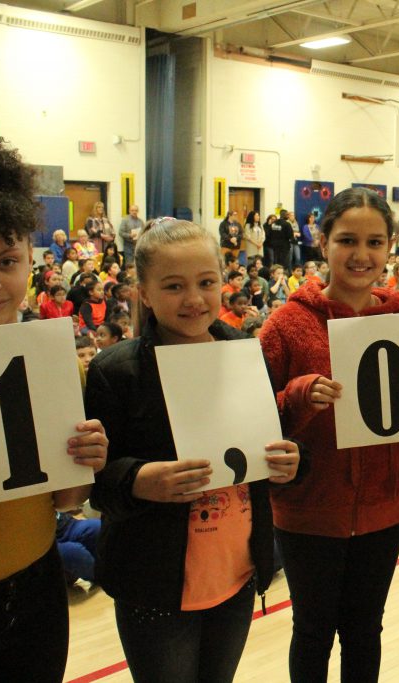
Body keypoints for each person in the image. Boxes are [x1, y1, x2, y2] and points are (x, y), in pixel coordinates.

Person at [86, 217, 300, 681]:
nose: (194, 299)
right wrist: (138, 480)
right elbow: (93, 484)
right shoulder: (116, 372)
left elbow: (268, 446)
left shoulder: (245, 351)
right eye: (173, 286)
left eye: (206, 282)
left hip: (237, 574)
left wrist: (287, 461)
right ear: (143, 291)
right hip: (155, 583)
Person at [259, 188, 399, 682]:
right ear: (322, 242)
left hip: (384, 508)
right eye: (347, 240)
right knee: (312, 630)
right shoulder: (284, 326)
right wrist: (299, 396)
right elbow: (254, 425)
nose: (361, 255)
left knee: (365, 630)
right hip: (309, 510)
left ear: (391, 246)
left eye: (375, 242)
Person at [0, 135, 108, 680]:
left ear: (30, 260)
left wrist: (87, 459)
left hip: (36, 590)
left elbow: (67, 498)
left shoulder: (52, 358)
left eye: (6, 261)